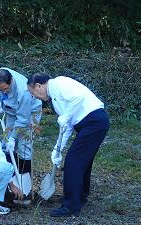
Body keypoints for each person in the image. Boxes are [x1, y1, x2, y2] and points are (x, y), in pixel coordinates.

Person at [27, 73, 109, 217]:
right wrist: (57, 150)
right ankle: (80, 197)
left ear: (39, 86)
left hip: (94, 121)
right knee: (83, 161)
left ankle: (70, 206)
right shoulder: (55, 100)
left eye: (32, 93)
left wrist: (66, 116)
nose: (35, 97)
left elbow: (78, 98)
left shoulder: (60, 83)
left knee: (73, 161)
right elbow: (66, 126)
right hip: (90, 124)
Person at [0, 68, 42, 174]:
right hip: (11, 111)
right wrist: (2, 103)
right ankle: (11, 177)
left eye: (5, 88)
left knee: (24, 145)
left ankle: (25, 179)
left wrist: (13, 138)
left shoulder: (23, 92)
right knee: (7, 144)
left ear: (11, 81)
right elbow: (2, 93)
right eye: (0, 90)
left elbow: (23, 120)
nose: (3, 91)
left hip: (30, 112)